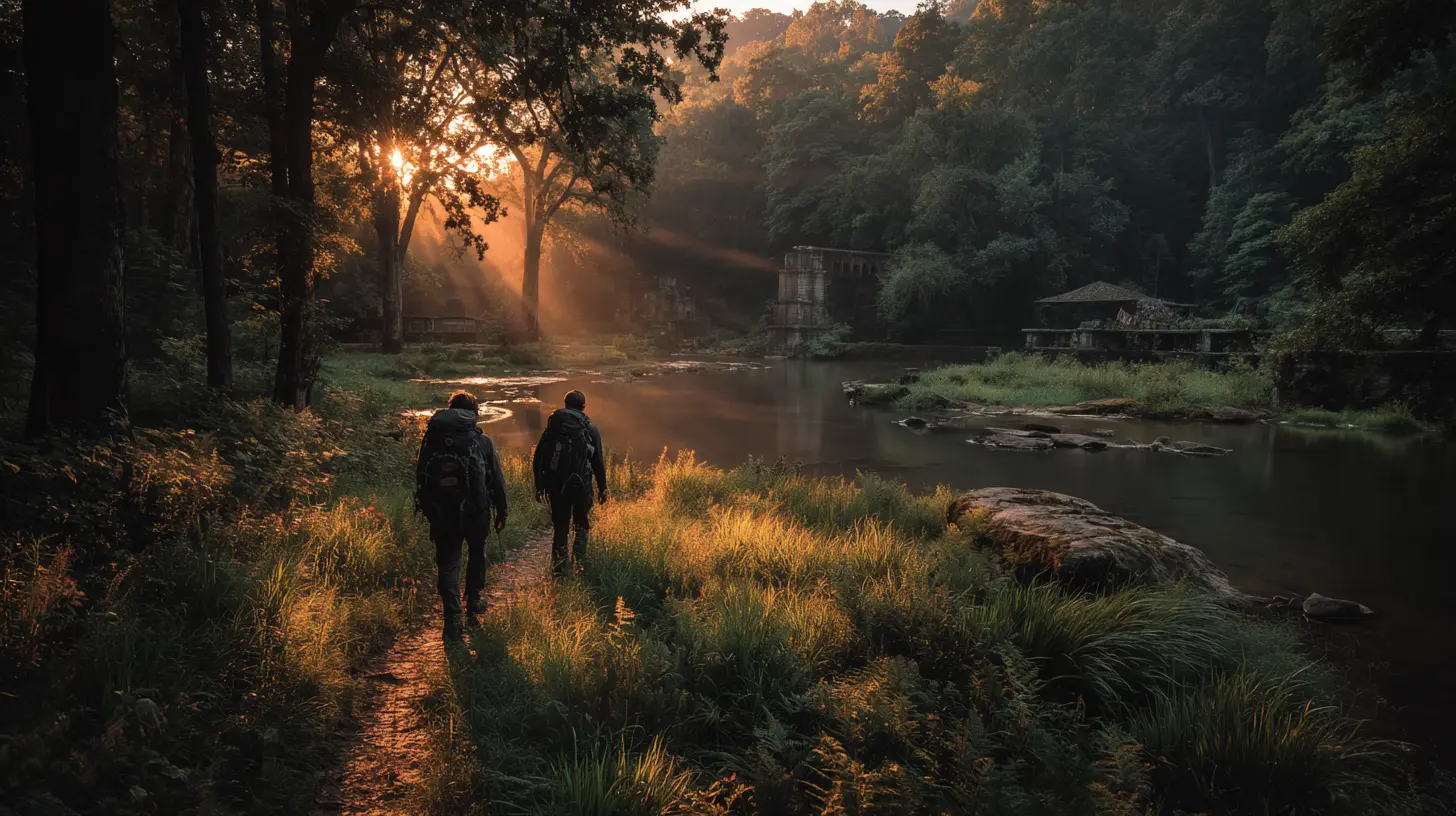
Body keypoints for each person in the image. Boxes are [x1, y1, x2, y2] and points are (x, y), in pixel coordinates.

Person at [415, 390, 508, 642]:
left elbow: (421, 476)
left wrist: (429, 508)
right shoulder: (483, 441)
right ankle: (474, 601)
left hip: (443, 511)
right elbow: (497, 479)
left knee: (448, 564)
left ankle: (452, 621)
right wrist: (502, 508)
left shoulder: (432, 441)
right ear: (474, 414)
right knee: (477, 553)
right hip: (477, 511)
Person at [533, 389, 607, 577]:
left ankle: (558, 570)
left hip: (556, 485)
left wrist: (539, 484)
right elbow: (598, 462)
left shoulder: (554, 427)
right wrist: (603, 488)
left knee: (560, 526)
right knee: (581, 523)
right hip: (582, 484)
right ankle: (579, 566)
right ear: (583, 406)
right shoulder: (590, 429)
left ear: (565, 404)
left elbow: (539, 456)